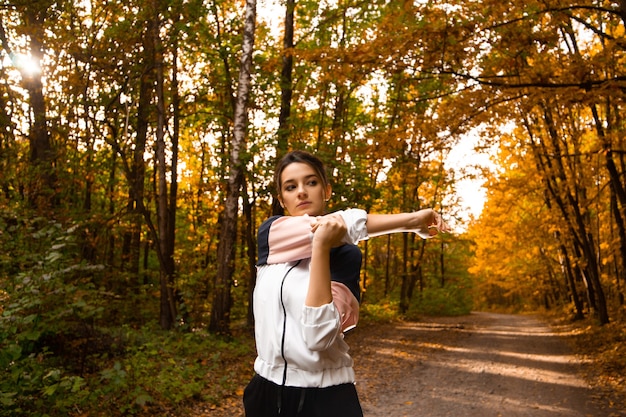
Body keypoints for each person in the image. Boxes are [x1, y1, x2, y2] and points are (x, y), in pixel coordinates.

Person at [243, 150, 449, 417]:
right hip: (265, 393)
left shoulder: (346, 256)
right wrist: (411, 221)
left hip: (325, 398)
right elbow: (339, 224)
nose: (302, 192)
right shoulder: (271, 235)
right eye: (291, 187)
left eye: (311, 182)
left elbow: (319, 337)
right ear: (282, 199)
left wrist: (321, 247)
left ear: (326, 190)